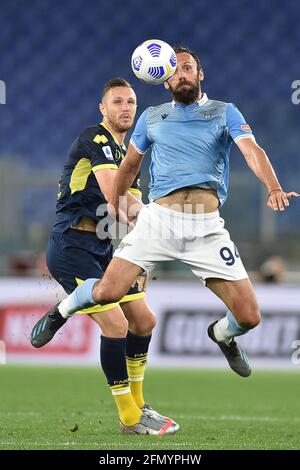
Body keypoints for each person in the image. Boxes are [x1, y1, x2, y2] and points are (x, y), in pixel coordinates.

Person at [33, 48, 299, 397]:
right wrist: (113, 207)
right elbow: (128, 167)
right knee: (107, 292)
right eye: (174, 71)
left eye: (188, 68)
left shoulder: (224, 112)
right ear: (164, 79)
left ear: (200, 74)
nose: (181, 75)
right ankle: (61, 311)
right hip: (158, 221)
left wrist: (274, 186)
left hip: (205, 227)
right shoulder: (152, 117)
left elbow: (252, 150)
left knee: (249, 316)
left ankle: (221, 334)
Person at [30, 77, 179, 436]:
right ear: (103, 109)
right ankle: (129, 417)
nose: (125, 108)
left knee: (144, 321)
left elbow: (129, 216)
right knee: (116, 325)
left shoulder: (131, 157)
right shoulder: (94, 138)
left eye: (130, 102)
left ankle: (140, 405)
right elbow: (121, 201)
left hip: (104, 248)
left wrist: (141, 258)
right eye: (117, 102)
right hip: (71, 247)